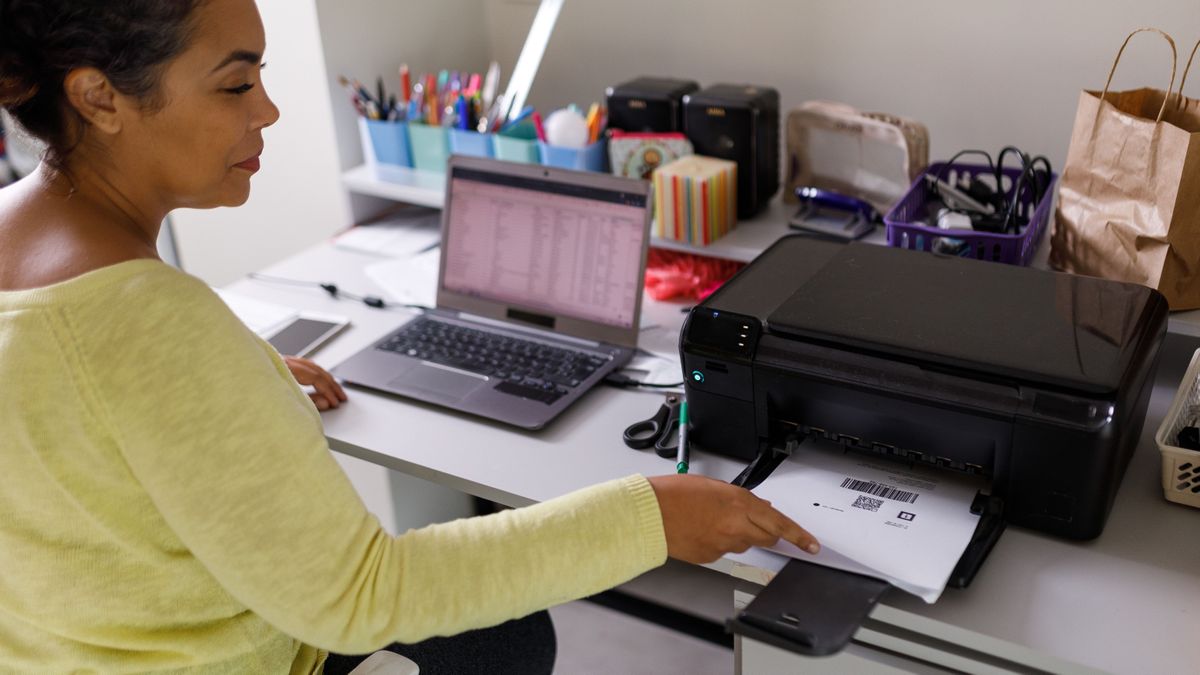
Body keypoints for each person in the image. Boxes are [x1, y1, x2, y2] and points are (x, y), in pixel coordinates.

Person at [0, 0, 819, 672]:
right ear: (99, 97)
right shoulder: (153, 326)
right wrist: (650, 517)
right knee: (511, 633)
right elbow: (363, 596)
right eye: (235, 84)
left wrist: (240, 380)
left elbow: (79, 407)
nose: (269, 109)